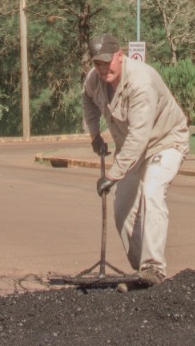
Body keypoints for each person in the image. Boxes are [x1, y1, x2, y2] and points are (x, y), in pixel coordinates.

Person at [81, 34, 189, 284]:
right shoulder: (94, 79)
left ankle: (154, 268)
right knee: (122, 210)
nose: (102, 69)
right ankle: (144, 271)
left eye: (107, 62)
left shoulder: (142, 83)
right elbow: (87, 99)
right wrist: (95, 135)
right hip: (131, 150)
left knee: (152, 191)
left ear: (120, 55)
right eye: (97, 63)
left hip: (165, 142)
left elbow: (139, 137)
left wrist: (112, 175)